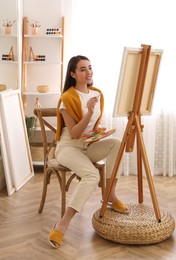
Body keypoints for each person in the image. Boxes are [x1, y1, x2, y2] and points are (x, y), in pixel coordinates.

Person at [49, 55, 128, 248]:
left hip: (87, 145)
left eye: (90, 68)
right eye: (82, 69)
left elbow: (90, 128)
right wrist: (90, 112)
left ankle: (110, 194)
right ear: (73, 74)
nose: (88, 72)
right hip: (68, 147)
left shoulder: (97, 93)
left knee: (117, 143)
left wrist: (98, 132)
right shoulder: (66, 98)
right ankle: (62, 224)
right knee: (91, 175)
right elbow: (75, 133)